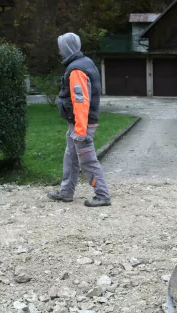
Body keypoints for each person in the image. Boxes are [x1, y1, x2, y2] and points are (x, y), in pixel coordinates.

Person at [47, 32, 111, 207]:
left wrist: (81, 132)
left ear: (66, 48)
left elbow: (81, 101)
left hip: (81, 124)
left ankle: (102, 195)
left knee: (87, 160)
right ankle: (66, 192)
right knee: (71, 158)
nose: (59, 51)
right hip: (76, 123)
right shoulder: (84, 63)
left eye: (61, 47)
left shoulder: (76, 69)